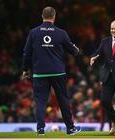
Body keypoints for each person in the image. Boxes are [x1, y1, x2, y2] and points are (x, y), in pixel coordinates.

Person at [22, 6, 81, 136]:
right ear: (54, 17)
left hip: (39, 72)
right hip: (58, 72)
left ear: (42, 16)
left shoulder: (33, 32)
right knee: (63, 100)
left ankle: (40, 129)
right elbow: (74, 51)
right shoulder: (61, 33)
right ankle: (70, 128)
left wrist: (25, 69)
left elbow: (26, 53)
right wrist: (76, 49)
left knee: (41, 101)